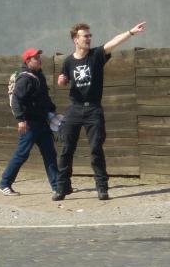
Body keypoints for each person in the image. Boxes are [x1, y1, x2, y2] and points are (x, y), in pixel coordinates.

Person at [52, 21, 147, 201]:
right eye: (85, 36)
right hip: (74, 109)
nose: (89, 38)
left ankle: (102, 188)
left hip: (93, 109)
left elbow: (114, 42)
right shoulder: (68, 61)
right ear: (75, 40)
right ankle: (62, 187)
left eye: (89, 35)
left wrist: (131, 32)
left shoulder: (96, 55)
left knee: (96, 149)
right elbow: (63, 80)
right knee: (66, 149)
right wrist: (62, 81)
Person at [0, 48, 58, 196]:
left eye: (39, 57)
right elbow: (17, 100)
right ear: (28, 61)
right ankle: (4, 183)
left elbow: (44, 98)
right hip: (29, 124)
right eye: (35, 57)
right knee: (22, 154)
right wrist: (20, 120)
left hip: (42, 123)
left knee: (50, 154)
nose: (39, 59)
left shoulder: (39, 75)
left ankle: (57, 186)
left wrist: (52, 111)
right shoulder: (25, 78)